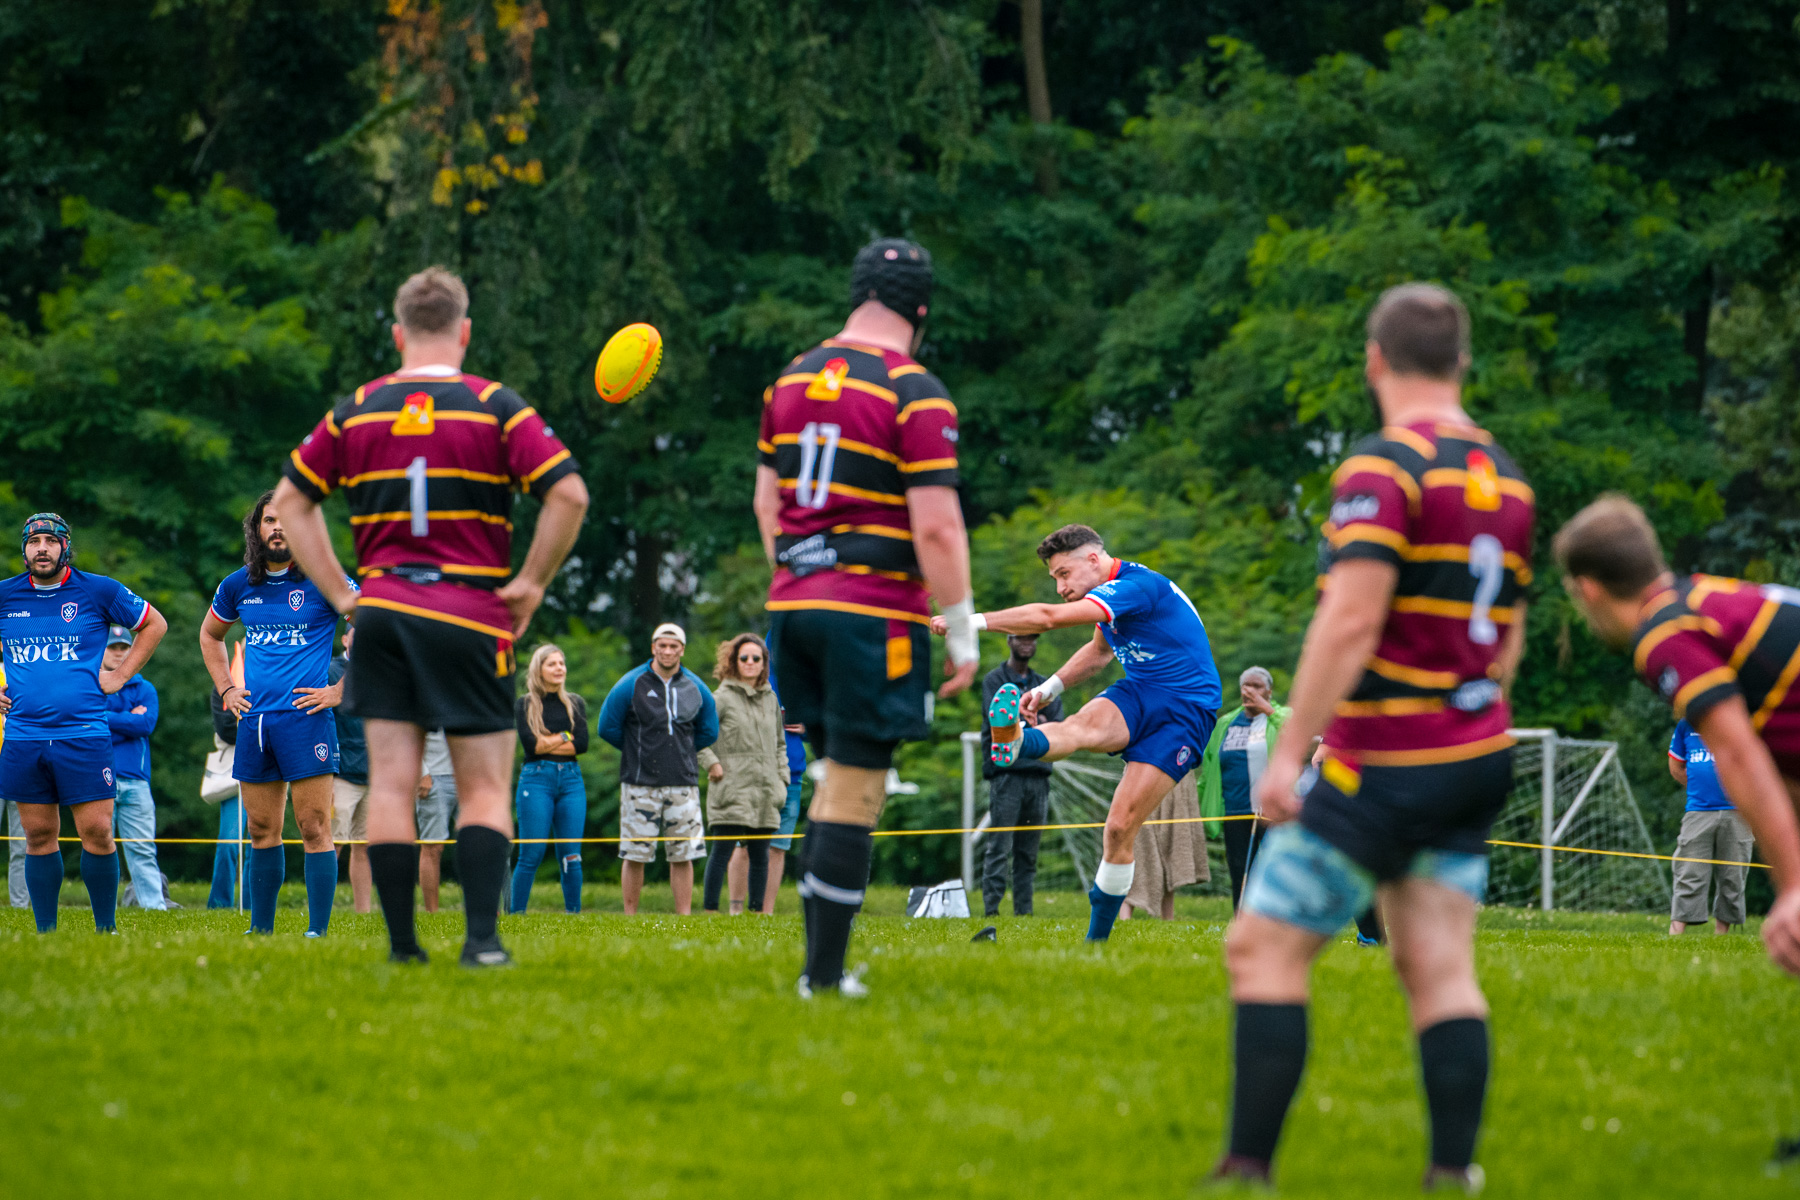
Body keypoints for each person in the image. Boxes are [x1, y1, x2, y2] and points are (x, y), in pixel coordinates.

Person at [1213, 284, 1532, 1190]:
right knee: (1436, 963)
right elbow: (1504, 633)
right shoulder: (1505, 475)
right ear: (1462, 362)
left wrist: (1288, 755)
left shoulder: (1385, 467)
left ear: (1375, 361)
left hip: (1391, 758)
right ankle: (1451, 1171)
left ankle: (1247, 1168)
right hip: (1476, 751)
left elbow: (1349, 623)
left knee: (1261, 946)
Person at [273, 264, 589, 967]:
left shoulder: (358, 409)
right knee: (481, 786)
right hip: (473, 613)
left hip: (383, 612)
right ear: (465, 332)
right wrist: (531, 583)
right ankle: (481, 943)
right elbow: (568, 493)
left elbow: (291, 500)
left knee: (388, 782)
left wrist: (344, 593)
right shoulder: (496, 406)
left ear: (397, 334)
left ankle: (402, 947)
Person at [755, 237, 979, 997]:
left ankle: (825, 965)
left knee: (827, 780)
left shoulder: (790, 376)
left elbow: (766, 501)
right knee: (856, 789)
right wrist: (961, 627)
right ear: (921, 308)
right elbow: (939, 527)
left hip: (795, 605)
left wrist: (793, 578)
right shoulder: (913, 388)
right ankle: (821, 978)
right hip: (872, 612)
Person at [936, 524, 1222, 942]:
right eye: (1054, 579)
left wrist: (968, 622)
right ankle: (1016, 740)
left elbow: (1049, 619)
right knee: (1077, 727)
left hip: (1186, 708)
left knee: (1119, 828)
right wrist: (1047, 688)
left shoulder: (1137, 586)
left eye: (1063, 574)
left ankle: (1096, 942)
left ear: (1093, 560)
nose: (1059, 587)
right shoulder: (1114, 597)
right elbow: (1101, 650)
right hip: (1141, 688)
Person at [1553, 493, 1800, 973]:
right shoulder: (1702, 599)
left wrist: (1792, 888)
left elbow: (1736, 752)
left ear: (1588, 590)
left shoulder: (1663, 633)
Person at [0, 513, 168, 933]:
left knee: (97, 832)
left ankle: (106, 929)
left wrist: (120, 675)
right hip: (24, 735)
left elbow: (153, 624)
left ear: (65, 547)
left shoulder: (98, 590)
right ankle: (46, 932)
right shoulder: (5, 596)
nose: (42, 548)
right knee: (38, 836)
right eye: (34, 541)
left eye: (50, 541)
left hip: (85, 734)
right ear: (24, 550)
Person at [201, 491, 348, 938]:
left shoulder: (325, 580)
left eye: (286, 520)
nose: (278, 527)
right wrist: (228, 688)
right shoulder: (237, 585)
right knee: (262, 828)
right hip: (255, 723)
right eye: (269, 520)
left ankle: (317, 931)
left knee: (314, 826)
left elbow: (377, 625)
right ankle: (259, 929)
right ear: (257, 529)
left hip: (306, 720)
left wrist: (341, 690)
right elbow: (210, 637)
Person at [597, 624, 717, 916]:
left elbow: (709, 731)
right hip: (639, 783)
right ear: (653, 647)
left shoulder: (696, 687)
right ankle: (629, 916)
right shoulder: (631, 683)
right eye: (662, 645)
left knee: (684, 854)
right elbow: (607, 727)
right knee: (635, 854)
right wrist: (640, 751)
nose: (667, 651)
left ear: (682, 650)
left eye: (673, 646)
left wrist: (682, 751)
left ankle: (684, 916)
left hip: (683, 782)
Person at [700, 633, 789, 916]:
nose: (750, 663)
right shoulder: (720, 698)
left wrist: (782, 779)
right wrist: (712, 764)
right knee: (722, 852)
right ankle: (711, 912)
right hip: (731, 786)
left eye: (756, 658)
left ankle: (756, 913)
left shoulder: (771, 699)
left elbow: (779, 744)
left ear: (764, 663)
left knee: (761, 855)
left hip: (765, 789)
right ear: (733, 662)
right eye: (744, 658)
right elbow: (699, 738)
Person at [979, 633, 1063, 917]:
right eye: (1021, 638)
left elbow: (1057, 727)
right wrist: (1037, 720)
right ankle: (991, 911)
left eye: (1033, 638)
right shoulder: (994, 681)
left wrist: (1030, 721)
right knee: (999, 848)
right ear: (1009, 640)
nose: (1027, 643)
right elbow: (1001, 719)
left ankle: (1023, 915)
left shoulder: (1046, 684)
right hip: (1007, 777)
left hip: (1039, 777)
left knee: (1028, 854)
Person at [1200, 667, 1289, 909]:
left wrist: (1267, 709)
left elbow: (1297, 734)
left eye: (1257, 686)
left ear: (1269, 691)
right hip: (1236, 808)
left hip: (1272, 811)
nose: (1249, 690)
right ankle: (1242, 921)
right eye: (1245, 685)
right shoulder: (1226, 724)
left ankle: (1276, 921)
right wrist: (1204, 803)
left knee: (1276, 869)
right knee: (1240, 868)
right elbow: (1209, 771)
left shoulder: (1280, 716)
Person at [511, 644, 588, 914]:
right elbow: (533, 746)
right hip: (536, 780)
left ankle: (573, 915)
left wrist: (551, 741)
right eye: (552, 664)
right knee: (530, 854)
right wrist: (566, 735)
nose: (559, 669)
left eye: (561, 663)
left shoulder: (575, 703)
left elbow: (583, 745)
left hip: (571, 782)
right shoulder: (525, 704)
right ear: (539, 669)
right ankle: (516, 914)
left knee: (571, 856)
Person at [1666, 719, 1755, 936]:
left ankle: (1721, 936)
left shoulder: (1745, 718)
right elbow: (1676, 767)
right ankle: (1676, 932)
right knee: (1689, 871)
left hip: (1739, 812)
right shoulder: (1686, 725)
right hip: (1698, 811)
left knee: (1733, 876)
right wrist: (1701, 789)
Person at [103, 624, 165, 910]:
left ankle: (154, 907)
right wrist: (127, 718)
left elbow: (146, 724)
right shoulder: (90, 685)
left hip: (137, 781)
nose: (119, 653)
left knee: (142, 847)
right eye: (113, 648)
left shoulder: (145, 688)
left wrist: (109, 717)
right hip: (100, 778)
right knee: (100, 847)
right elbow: (88, 725)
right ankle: (102, 908)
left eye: (124, 648)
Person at [328, 627, 372, 913]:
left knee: (364, 846)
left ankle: (363, 912)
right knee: (331, 844)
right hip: (341, 773)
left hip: (375, 774)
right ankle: (323, 908)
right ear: (345, 639)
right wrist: (327, 775)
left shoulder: (380, 669)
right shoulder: (330, 671)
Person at [762, 674, 807, 915]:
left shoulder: (805, 673)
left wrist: (808, 726)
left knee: (778, 845)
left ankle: (766, 913)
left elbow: (829, 718)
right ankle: (738, 909)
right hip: (756, 774)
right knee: (744, 844)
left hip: (792, 773)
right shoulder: (758, 670)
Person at [205, 684, 250, 909]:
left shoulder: (277, 679)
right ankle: (219, 905)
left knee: (260, 844)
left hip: (270, 770)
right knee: (229, 842)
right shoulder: (223, 686)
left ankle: (254, 904)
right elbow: (226, 729)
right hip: (233, 775)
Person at [418, 730, 459, 913]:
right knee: (433, 848)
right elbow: (409, 735)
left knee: (478, 842)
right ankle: (432, 913)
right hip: (433, 778)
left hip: (468, 774)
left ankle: (482, 909)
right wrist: (422, 773)